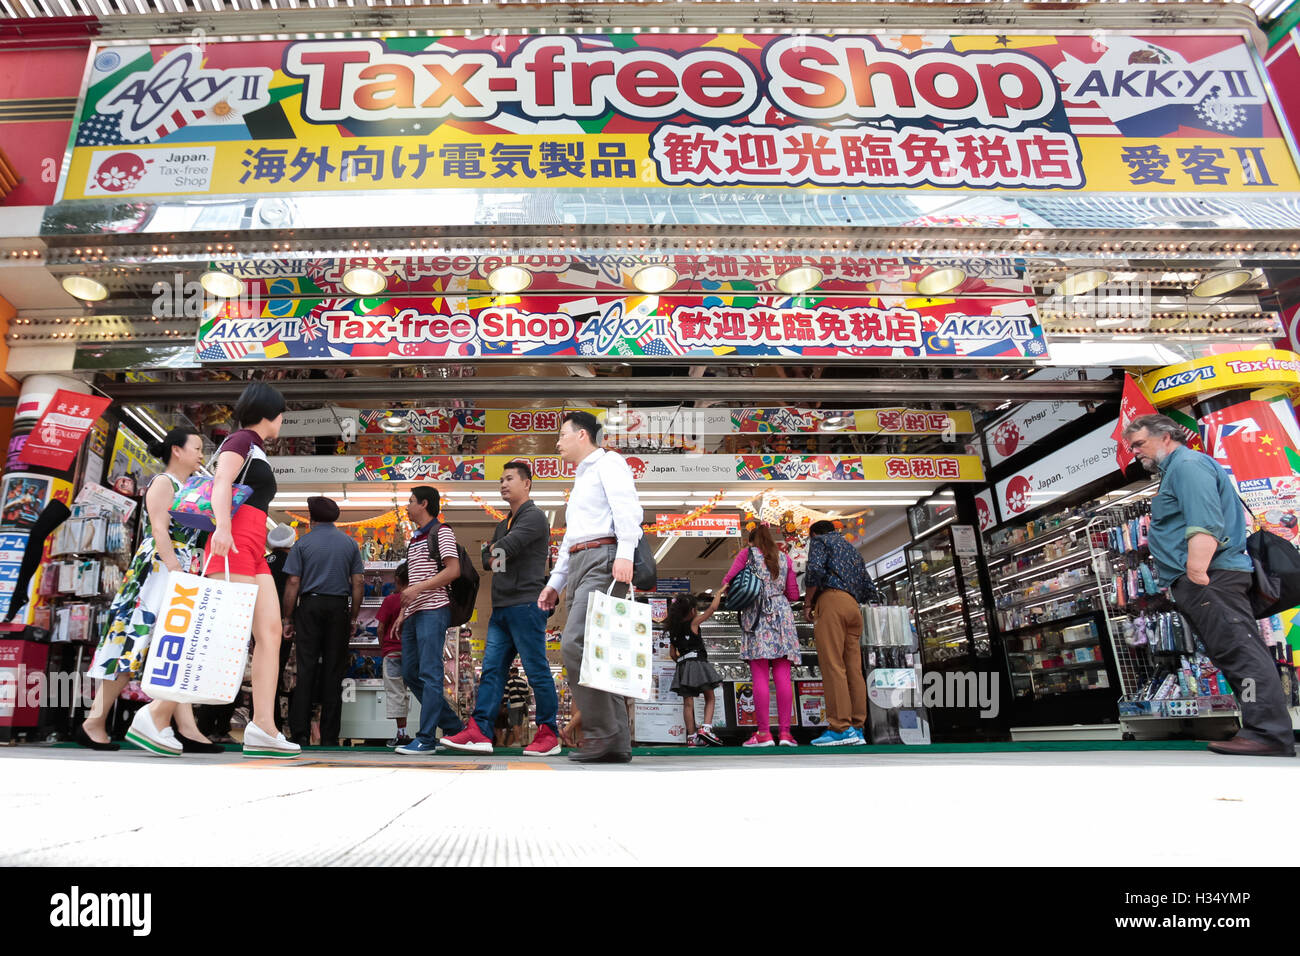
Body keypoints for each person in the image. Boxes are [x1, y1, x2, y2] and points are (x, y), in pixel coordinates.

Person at [130, 381, 300, 759]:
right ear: (269, 412)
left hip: (253, 547)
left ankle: (264, 727)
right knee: (224, 635)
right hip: (235, 543)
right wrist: (222, 527)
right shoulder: (239, 441)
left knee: (270, 633)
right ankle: (155, 714)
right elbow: (221, 482)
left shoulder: (253, 447)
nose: (283, 420)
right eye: (282, 413)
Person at [1124, 414, 1296, 757]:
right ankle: (1261, 729)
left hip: (1212, 576)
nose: (1135, 452)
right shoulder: (1178, 468)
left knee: (1239, 652)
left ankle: (1268, 734)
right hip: (1209, 578)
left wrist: (1197, 572)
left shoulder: (1187, 465)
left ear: (1167, 437)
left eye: (1140, 443)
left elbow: (1204, 520)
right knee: (1234, 652)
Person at [81, 427, 220, 754]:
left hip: (178, 567)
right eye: (196, 448)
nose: (201, 454)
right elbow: (158, 528)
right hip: (162, 567)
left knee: (173, 645)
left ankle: (185, 727)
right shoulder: (164, 482)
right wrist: (175, 570)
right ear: (177, 450)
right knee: (138, 640)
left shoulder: (187, 486)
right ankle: (94, 721)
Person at [538, 410, 644, 764]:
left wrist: (626, 552)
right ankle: (614, 738)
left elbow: (627, 507)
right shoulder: (582, 478)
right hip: (582, 562)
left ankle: (603, 733)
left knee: (576, 643)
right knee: (597, 651)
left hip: (604, 558)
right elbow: (572, 536)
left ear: (582, 435)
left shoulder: (609, 463)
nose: (557, 443)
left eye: (562, 435)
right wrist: (556, 581)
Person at [442, 459, 560, 756]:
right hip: (502, 608)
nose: (503, 484)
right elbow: (487, 559)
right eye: (501, 480)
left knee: (536, 669)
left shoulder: (535, 518)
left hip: (526, 605)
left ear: (527, 484)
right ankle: (479, 730)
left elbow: (502, 550)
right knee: (492, 670)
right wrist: (496, 551)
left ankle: (548, 733)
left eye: (509, 479)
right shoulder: (502, 523)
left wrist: (496, 550)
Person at [281, 496, 364, 748]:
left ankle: (300, 733)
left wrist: (288, 618)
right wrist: (353, 616)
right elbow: (358, 583)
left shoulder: (302, 544)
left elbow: (293, 582)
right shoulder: (350, 544)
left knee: (306, 671)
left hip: (310, 606)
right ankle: (329, 736)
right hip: (338, 607)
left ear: (311, 517)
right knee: (333, 673)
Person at [395, 485, 467, 754]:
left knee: (429, 673)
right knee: (410, 673)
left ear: (424, 504)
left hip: (434, 610)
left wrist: (417, 589)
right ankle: (453, 726)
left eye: (411, 501)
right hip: (416, 612)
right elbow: (413, 582)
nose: (407, 506)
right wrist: (404, 611)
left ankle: (426, 738)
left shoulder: (442, 532)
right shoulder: (414, 539)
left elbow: (454, 570)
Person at [721, 524, 801, 748]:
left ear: (751, 541)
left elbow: (727, 582)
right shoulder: (784, 558)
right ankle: (785, 734)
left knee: (759, 676)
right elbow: (793, 594)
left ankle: (764, 734)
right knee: (783, 675)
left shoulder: (747, 555)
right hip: (782, 617)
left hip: (756, 618)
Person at [804, 520, 875, 747]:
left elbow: (815, 570)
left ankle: (839, 728)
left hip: (831, 602)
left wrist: (808, 603)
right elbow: (868, 587)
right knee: (854, 670)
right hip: (853, 608)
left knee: (833, 665)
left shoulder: (820, 541)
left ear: (813, 533)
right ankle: (857, 728)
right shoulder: (852, 550)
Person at [665, 593, 724, 747]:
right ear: (692, 611)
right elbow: (712, 609)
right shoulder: (693, 623)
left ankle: (691, 737)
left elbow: (672, 654)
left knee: (688, 703)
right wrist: (719, 593)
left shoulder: (674, 630)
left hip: (683, 667)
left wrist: (682, 662)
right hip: (698, 663)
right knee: (710, 697)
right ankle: (706, 728)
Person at [376, 563, 412, 748]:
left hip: (392, 654)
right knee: (414, 691)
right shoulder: (416, 599)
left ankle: (401, 733)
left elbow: (381, 628)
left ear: (397, 580)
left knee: (396, 693)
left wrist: (384, 647)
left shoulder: (390, 601)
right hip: (412, 654)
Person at [503, 664, 531, 747]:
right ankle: (520, 741)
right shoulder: (523, 681)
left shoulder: (509, 681)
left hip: (514, 705)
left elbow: (505, 694)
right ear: (518, 673)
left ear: (511, 673)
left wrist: (504, 705)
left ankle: (517, 741)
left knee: (514, 723)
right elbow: (527, 693)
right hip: (522, 705)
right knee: (519, 723)